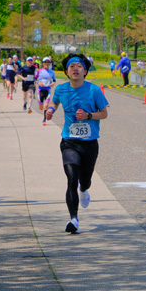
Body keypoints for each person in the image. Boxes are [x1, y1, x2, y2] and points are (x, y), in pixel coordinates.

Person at [45, 53, 108, 233]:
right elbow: (54, 103)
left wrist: (89, 115)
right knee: (71, 178)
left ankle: (84, 189)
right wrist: (50, 110)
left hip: (89, 144)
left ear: (85, 71)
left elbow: (104, 113)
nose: (75, 69)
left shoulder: (94, 90)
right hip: (69, 142)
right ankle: (74, 219)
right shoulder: (61, 89)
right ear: (66, 71)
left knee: (84, 180)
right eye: (71, 66)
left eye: (79, 66)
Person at [37, 57, 57, 126]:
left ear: (50, 63)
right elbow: (35, 79)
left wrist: (53, 83)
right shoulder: (39, 71)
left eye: (48, 62)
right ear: (43, 63)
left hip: (48, 90)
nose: (47, 64)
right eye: (45, 62)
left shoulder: (52, 72)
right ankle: (40, 105)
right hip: (40, 90)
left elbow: (54, 80)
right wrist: (38, 82)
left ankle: (44, 119)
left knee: (46, 105)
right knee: (40, 107)